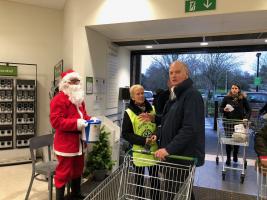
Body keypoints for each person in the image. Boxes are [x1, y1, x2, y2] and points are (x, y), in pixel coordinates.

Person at [154, 61, 205, 200]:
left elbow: (190, 129)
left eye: (177, 72)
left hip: (182, 156)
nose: (173, 75)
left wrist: (168, 149)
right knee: (182, 193)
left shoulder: (191, 95)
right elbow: (169, 122)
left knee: (176, 193)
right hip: (173, 156)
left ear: (186, 73)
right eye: (171, 72)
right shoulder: (177, 95)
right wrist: (155, 122)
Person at [50, 69, 90, 200]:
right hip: (66, 144)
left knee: (78, 169)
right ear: (65, 83)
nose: (76, 84)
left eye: (78, 81)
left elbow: (83, 115)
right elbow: (56, 122)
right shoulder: (58, 99)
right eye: (73, 81)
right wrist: (77, 123)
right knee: (63, 173)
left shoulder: (79, 99)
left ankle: (76, 194)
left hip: (79, 142)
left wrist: (91, 120)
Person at [122, 84, 160, 200]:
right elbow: (126, 133)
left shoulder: (152, 109)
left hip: (153, 151)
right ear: (133, 97)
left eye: (142, 93)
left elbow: (159, 125)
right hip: (139, 152)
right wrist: (143, 140)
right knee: (139, 180)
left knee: (155, 179)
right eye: (138, 94)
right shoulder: (128, 112)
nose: (141, 95)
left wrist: (156, 135)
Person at [219, 84, 251, 166]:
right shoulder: (226, 98)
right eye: (232, 88)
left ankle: (235, 154)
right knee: (229, 140)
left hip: (239, 123)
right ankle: (228, 158)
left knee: (238, 139)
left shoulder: (243, 99)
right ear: (230, 90)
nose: (234, 89)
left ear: (239, 90)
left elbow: (248, 110)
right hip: (228, 123)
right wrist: (224, 109)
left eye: (236, 88)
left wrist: (246, 118)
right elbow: (220, 109)